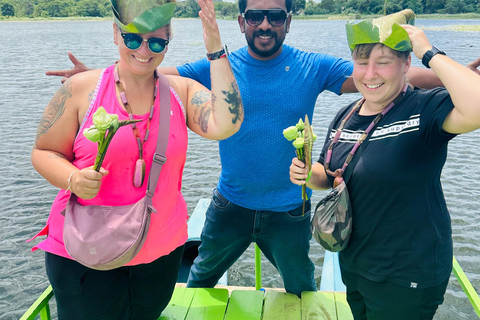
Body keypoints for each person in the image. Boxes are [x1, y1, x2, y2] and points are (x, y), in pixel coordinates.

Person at [45, 0, 480, 297]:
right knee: (198, 282)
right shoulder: (215, 68)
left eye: (275, 15)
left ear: (288, 21)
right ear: (241, 22)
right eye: (255, 16)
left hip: (290, 211)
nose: (265, 24)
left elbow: (382, 79)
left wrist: (450, 73)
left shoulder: (313, 66)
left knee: (302, 290)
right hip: (228, 204)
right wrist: (99, 77)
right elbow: (146, 69)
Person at [28, 0, 243, 318]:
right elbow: (44, 152)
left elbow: (228, 123)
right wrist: (72, 178)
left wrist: (215, 48)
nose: (144, 50)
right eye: (133, 38)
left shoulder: (181, 92)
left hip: (159, 257)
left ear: (168, 44)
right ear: (116, 33)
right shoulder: (80, 90)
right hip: (83, 255)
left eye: (157, 41)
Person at [289, 9, 480, 319]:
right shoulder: (345, 117)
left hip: (408, 275)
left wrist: (428, 53)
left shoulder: (423, 108)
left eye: (384, 62)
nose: (370, 73)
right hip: (357, 266)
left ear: (406, 64)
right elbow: (330, 175)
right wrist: (307, 173)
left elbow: (476, 107)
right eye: (362, 63)